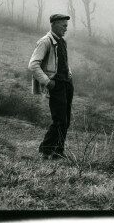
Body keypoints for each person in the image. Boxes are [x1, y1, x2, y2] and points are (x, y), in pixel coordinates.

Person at [28, 13, 73, 159]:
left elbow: (63, 62)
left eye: (66, 26)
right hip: (56, 86)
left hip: (66, 84)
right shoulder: (45, 41)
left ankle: (58, 152)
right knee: (59, 120)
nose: (66, 28)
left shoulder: (62, 41)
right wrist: (48, 82)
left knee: (65, 121)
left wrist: (69, 75)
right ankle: (45, 150)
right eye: (63, 25)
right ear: (54, 24)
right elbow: (33, 65)